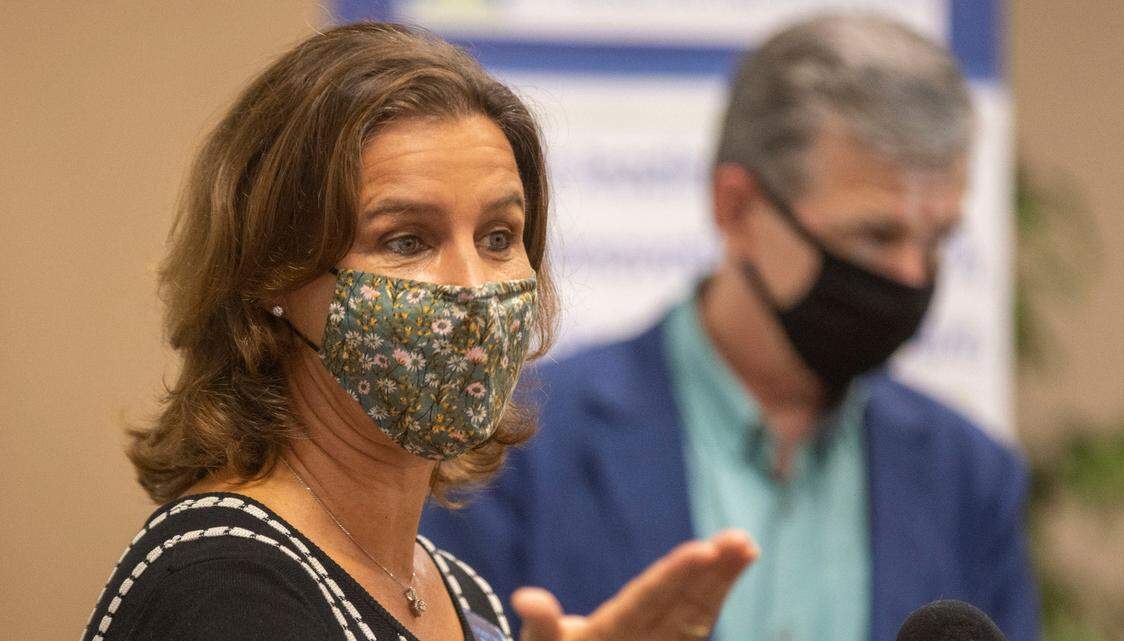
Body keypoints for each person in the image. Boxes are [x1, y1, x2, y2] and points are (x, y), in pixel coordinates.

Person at [82, 22, 758, 641]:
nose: (472, 285)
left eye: (499, 237)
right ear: (272, 275)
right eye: (406, 240)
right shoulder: (222, 586)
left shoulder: (460, 593)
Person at [422, 14, 1039, 641]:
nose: (912, 274)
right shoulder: (516, 447)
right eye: (877, 235)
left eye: (936, 241)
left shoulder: (970, 479)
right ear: (737, 208)